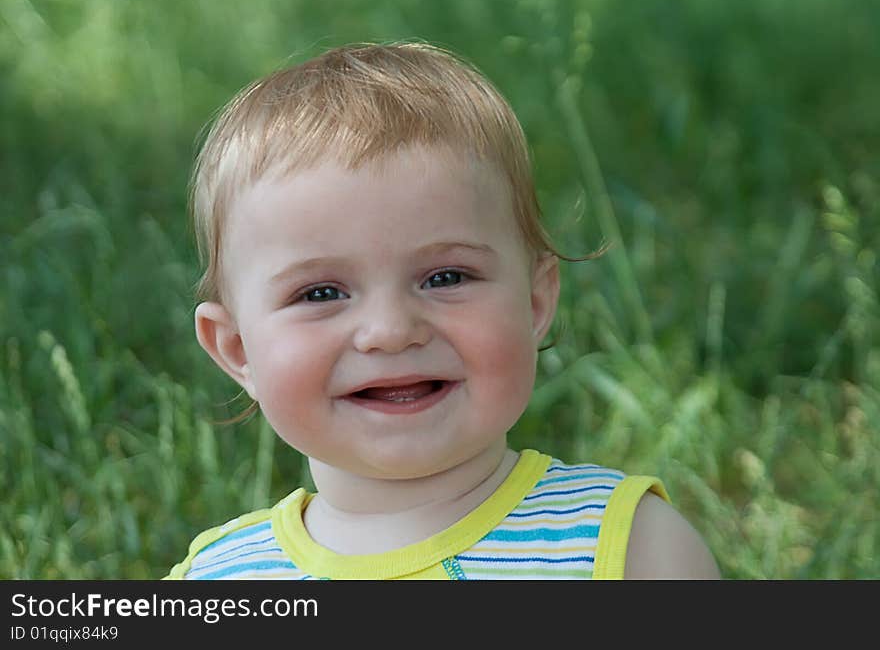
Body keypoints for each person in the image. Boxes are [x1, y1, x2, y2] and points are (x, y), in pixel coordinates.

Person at [165, 41, 720, 580]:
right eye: (321, 293)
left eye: (446, 278)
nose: (390, 331)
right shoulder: (220, 578)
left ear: (534, 302)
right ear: (237, 349)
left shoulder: (625, 548)